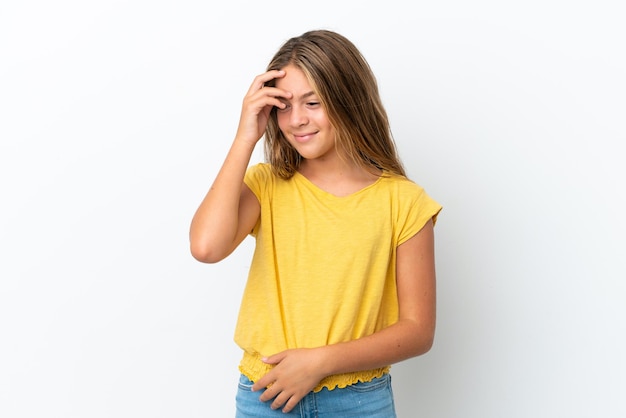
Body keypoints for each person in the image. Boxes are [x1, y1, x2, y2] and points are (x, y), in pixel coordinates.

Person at [189, 29, 442, 417]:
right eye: (284, 105)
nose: (297, 120)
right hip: (265, 397)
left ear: (349, 101)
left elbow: (417, 330)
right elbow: (206, 247)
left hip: (359, 401)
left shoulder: (403, 201)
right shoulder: (267, 185)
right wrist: (246, 136)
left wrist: (320, 362)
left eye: (312, 102)